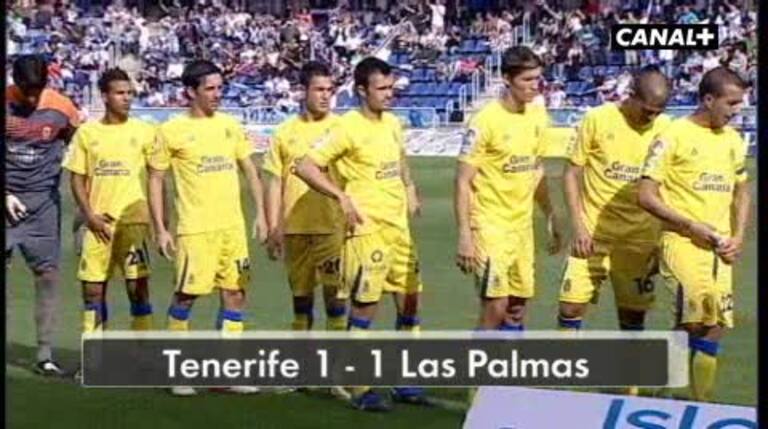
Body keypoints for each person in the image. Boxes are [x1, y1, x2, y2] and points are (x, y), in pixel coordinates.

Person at [295, 57, 428, 411]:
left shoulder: (393, 123)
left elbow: (400, 158)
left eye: (391, 87)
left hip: (398, 229)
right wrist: (340, 196)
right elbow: (305, 166)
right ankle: (359, 385)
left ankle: (405, 380)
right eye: (381, 88)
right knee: (365, 307)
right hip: (367, 231)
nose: (389, 94)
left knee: (410, 303)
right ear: (361, 91)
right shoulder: (347, 127)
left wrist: (409, 187)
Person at [147, 59, 268, 396]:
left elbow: (250, 169)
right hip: (196, 229)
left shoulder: (230, 125)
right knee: (186, 297)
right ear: (190, 92)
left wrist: (261, 214)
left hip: (232, 228)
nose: (217, 94)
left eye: (220, 88)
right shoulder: (171, 131)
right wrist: (161, 228)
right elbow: (155, 179)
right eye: (210, 89)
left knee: (235, 294)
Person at [638, 67, 751, 402]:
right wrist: (690, 226)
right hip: (683, 242)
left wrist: (738, 237)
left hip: (721, 249)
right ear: (709, 99)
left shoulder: (732, 140)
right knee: (694, 320)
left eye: (740, 103)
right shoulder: (673, 135)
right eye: (731, 103)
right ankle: (659, 395)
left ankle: (702, 404)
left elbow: (742, 191)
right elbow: (645, 195)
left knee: (715, 327)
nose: (737, 110)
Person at [557, 67, 672, 375]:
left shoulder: (666, 129)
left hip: (640, 238)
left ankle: (630, 386)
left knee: (632, 316)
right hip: (593, 234)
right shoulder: (597, 119)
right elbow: (572, 172)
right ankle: (564, 383)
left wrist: (662, 238)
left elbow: (669, 185)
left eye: (658, 112)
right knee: (570, 306)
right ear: (631, 96)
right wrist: (578, 225)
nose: (651, 117)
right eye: (647, 110)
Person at [454, 46, 562, 333]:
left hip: (521, 227)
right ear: (506, 78)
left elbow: (536, 169)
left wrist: (551, 215)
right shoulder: (484, 121)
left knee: (517, 308)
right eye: (527, 80)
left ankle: (510, 362)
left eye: (537, 78)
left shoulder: (538, 116)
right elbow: (463, 180)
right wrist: (465, 235)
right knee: (496, 305)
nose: (535, 86)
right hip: (489, 225)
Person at [63, 68, 156, 338]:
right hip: (97, 224)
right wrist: (89, 215)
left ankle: (143, 351)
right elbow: (77, 179)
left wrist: (158, 221)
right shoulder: (87, 133)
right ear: (105, 96)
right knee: (93, 291)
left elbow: (157, 178)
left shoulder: (145, 131)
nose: (127, 98)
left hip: (134, 223)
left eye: (130, 93)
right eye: (120, 93)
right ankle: (95, 352)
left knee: (138, 289)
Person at [5, 54, 80, 376]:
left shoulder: (62, 108)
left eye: (37, 91)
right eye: (26, 91)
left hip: (43, 205)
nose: (32, 99)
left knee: (47, 276)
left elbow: (79, 146)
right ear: (16, 83)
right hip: (7, 200)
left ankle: (44, 355)